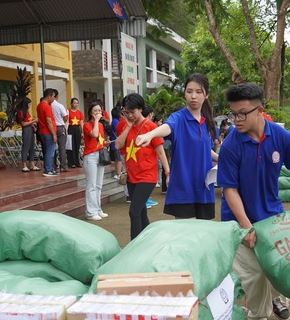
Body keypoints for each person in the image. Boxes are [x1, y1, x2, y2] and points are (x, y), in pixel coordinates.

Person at [216, 82, 290, 320]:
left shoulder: (280, 137)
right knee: (256, 275)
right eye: (232, 114)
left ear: (260, 111)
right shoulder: (230, 146)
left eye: (242, 113)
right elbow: (230, 191)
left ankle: (274, 298)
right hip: (239, 222)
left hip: (273, 217)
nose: (235, 120)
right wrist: (247, 227)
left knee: (278, 266)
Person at [136, 73, 218, 219]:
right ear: (184, 93)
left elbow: (204, 149)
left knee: (202, 237)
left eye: (199, 92)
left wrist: (220, 158)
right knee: (186, 237)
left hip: (204, 189)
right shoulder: (178, 118)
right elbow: (168, 127)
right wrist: (150, 135)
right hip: (183, 190)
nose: (193, 96)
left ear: (206, 95)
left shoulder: (207, 122)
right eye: (189, 91)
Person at [115, 94, 170, 239]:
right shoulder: (128, 126)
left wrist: (167, 172)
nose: (130, 115)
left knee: (133, 211)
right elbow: (118, 144)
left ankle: (134, 246)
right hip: (132, 176)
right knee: (141, 212)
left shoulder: (151, 127)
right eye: (127, 112)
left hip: (147, 176)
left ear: (140, 109)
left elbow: (160, 151)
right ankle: (149, 241)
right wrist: (128, 126)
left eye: (133, 112)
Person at [82, 101, 110, 221]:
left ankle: (98, 209)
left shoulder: (102, 126)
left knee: (98, 185)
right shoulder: (87, 124)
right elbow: (94, 134)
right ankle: (91, 211)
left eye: (99, 110)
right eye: (95, 111)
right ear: (90, 113)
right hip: (90, 156)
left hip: (100, 154)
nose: (98, 112)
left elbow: (100, 139)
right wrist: (97, 121)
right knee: (91, 185)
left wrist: (106, 143)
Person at [37, 88, 58, 177]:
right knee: (50, 151)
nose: (54, 99)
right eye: (53, 96)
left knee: (47, 151)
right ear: (49, 96)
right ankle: (48, 169)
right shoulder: (46, 106)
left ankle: (49, 168)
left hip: (42, 131)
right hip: (48, 132)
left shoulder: (39, 105)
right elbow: (48, 121)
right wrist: (53, 134)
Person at [17, 97, 39, 172]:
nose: (30, 106)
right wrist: (34, 121)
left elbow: (29, 121)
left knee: (32, 146)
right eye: (29, 104)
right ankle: (24, 164)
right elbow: (23, 123)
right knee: (26, 146)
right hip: (26, 129)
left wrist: (33, 123)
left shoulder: (27, 112)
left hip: (31, 129)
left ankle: (32, 164)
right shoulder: (21, 112)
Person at [52, 89, 69, 173]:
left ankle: (53, 165)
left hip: (51, 127)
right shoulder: (59, 105)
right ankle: (63, 166)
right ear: (57, 96)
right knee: (62, 147)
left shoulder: (48, 105)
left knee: (52, 147)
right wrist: (63, 122)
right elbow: (66, 117)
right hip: (60, 127)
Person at [67, 97, 84, 168]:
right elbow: (67, 122)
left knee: (77, 146)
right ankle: (71, 162)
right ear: (71, 104)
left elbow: (81, 123)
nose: (76, 104)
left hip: (77, 129)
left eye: (77, 103)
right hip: (70, 128)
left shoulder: (79, 112)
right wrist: (66, 130)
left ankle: (77, 162)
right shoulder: (68, 111)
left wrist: (82, 132)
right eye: (74, 103)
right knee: (71, 146)